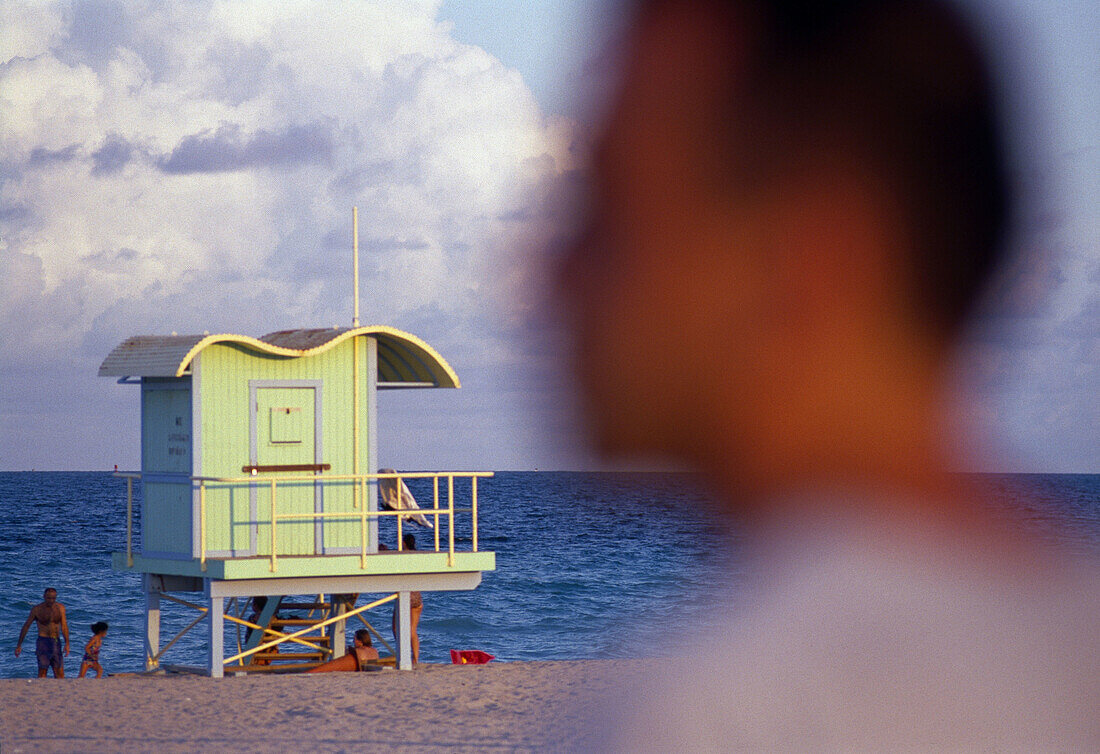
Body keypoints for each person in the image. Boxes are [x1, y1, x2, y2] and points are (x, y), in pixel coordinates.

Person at [557, 0, 1099, 749]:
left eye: (606, 213)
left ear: (803, 262)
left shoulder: (723, 708)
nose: (551, 272)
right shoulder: (1074, 636)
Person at [15, 587, 70, 678]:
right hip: (43, 642)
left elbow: (64, 626)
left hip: (56, 641)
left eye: (53, 598)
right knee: (42, 671)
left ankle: (59, 691)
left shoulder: (60, 608)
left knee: (59, 672)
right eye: (49, 598)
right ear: (44, 596)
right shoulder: (37, 609)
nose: (51, 601)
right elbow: (26, 626)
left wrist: (67, 643)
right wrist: (19, 645)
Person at [392, 533, 423, 664]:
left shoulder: (402, 555)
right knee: (412, 630)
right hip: (417, 596)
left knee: (395, 627)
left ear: (404, 543)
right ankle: (415, 658)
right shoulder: (416, 556)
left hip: (406, 594)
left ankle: (403, 652)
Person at [306, 629, 380, 672]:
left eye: (354, 639)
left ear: (360, 641)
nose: (353, 641)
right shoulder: (374, 651)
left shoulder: (359, 652)